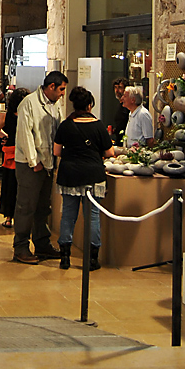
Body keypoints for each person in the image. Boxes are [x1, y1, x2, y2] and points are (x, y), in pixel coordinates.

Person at [53, 86, 114, 270]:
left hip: (69, 174)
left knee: (68, 216)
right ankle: (92, 259)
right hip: (93, 174)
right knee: (92, 217)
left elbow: (57, 151)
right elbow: (109, 152)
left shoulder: (65, 125)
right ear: (89, 106)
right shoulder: (98, 125)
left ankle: (64, 257)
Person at [12, 70, 68, 265]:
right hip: (31, 164)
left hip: (48, 163)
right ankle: (20, 246)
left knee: (43, 207)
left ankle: (42, 243)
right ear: (51, 86)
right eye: (61, 89)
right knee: (26, 206)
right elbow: (25, 134)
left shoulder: (55, 104)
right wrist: (33, 161)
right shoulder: (29, 103)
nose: (62, 94)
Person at [0, 87, 29, 229]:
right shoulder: (28, 115)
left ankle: (8, 218)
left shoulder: (6, 115)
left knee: (9, 186)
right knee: (22, 187)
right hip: (24, 153)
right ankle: (22, 219)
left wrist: (5, 137)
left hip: (10, 153)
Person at [105, 78, 128, 145]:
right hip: (119, 139)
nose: (117, 90)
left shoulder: (126, 107)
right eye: (115, 87)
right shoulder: (120, 105)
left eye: (120, 87)